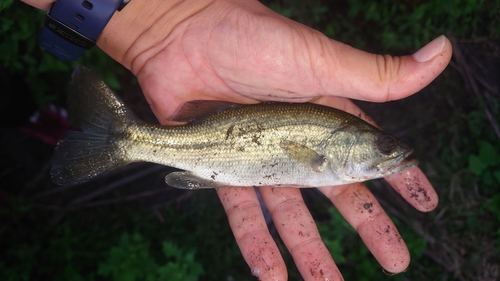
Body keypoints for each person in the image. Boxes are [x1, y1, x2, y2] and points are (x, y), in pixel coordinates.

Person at [22, 0, 452, 280]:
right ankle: (125, 138)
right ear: (348, 142)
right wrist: (165, 21)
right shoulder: (326, 144)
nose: (392, 155)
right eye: (382, 147)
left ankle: (126, 139)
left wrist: (154, 23)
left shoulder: (333, 146)